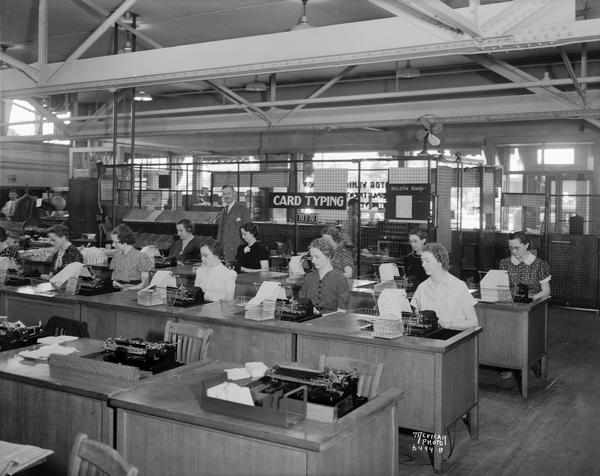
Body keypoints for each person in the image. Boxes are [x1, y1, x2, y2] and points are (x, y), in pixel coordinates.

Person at [411, 242, 478, 330]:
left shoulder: (459, 286)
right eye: (422, 261)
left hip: (453, 337)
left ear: (440, 261)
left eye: (427, 261)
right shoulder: (422, 288)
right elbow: (416, 319)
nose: (423, 265)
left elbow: (473, 323)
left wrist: (449, 325)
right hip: (429, 337)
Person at [299, 237, 350, 313]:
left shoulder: (340, 279)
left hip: (331, 323)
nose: (313, 261)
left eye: (317, 257)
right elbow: (302, 304)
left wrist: (319, 315)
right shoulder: (308, 277)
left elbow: (341, 312)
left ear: (328, 256)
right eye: (312, 257)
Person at [498, 231, 551, 300]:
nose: (513, 251)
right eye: (511, 248)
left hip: (532, 305)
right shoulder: (504, 264)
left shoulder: (540, 265)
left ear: (526, 245)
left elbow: (546, 291)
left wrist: (529, 301)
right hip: (510, 305)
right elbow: (501, 288)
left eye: (517, 248)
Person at [110, 224, 153, 289]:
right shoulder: (116, 256)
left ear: (125, 240)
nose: (113, 245)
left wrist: (127, 288)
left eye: (115, 242)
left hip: (132, 294)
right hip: (117, 292)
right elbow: (113, 278)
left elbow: (145, 284)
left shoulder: (140, 257)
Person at [216, 184, 250, 263]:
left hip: (236, 250)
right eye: (224, 194)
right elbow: (220, 232)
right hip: (223, 251)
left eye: (229, 193)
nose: (226, 196)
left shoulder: (242, 209)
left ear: (234, 194)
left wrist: (244, 248)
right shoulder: (223, 210)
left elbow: (248, 230)